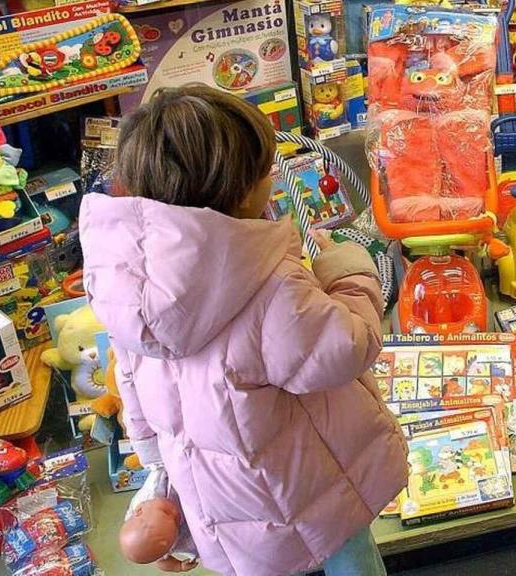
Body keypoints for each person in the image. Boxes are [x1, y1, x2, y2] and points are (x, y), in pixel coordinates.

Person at [79, 85, 408, 576]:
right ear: (241, 190)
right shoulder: (270, 283)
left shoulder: (125, 283)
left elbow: (133, 388)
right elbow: (345, 347)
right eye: (266, 172)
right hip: (310, 487)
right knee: (351, 562)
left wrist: (158, 471)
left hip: (224, 507)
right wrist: (348, 272)